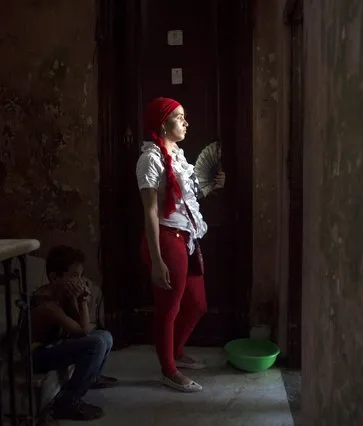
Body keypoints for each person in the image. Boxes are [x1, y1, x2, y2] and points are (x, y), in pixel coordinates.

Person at [136, 97, 225, 392]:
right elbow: (150, 211)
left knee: (198, 304)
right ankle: (168, 370)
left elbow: (187, 199)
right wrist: (157, 259)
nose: (186, 123)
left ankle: (175, 352)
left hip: (187, 238)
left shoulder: (178, 155)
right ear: (163, 124)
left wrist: (213, 187)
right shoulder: (150, 159)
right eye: (179, 117)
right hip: (166, 239)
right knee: (168, 309)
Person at [27, 245, 118, 421]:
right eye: (74, 276)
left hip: (54, 347)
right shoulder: (46, 303)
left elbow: (81, 325)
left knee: (105, 336)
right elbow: (82, 332)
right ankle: (67, 402)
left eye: (80, 275)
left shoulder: (63, 294)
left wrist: (80, 299)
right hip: (36, 355)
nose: (80, 281)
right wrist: (83, 301)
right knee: (96, 343)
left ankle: (91, 377)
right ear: (55, 277)